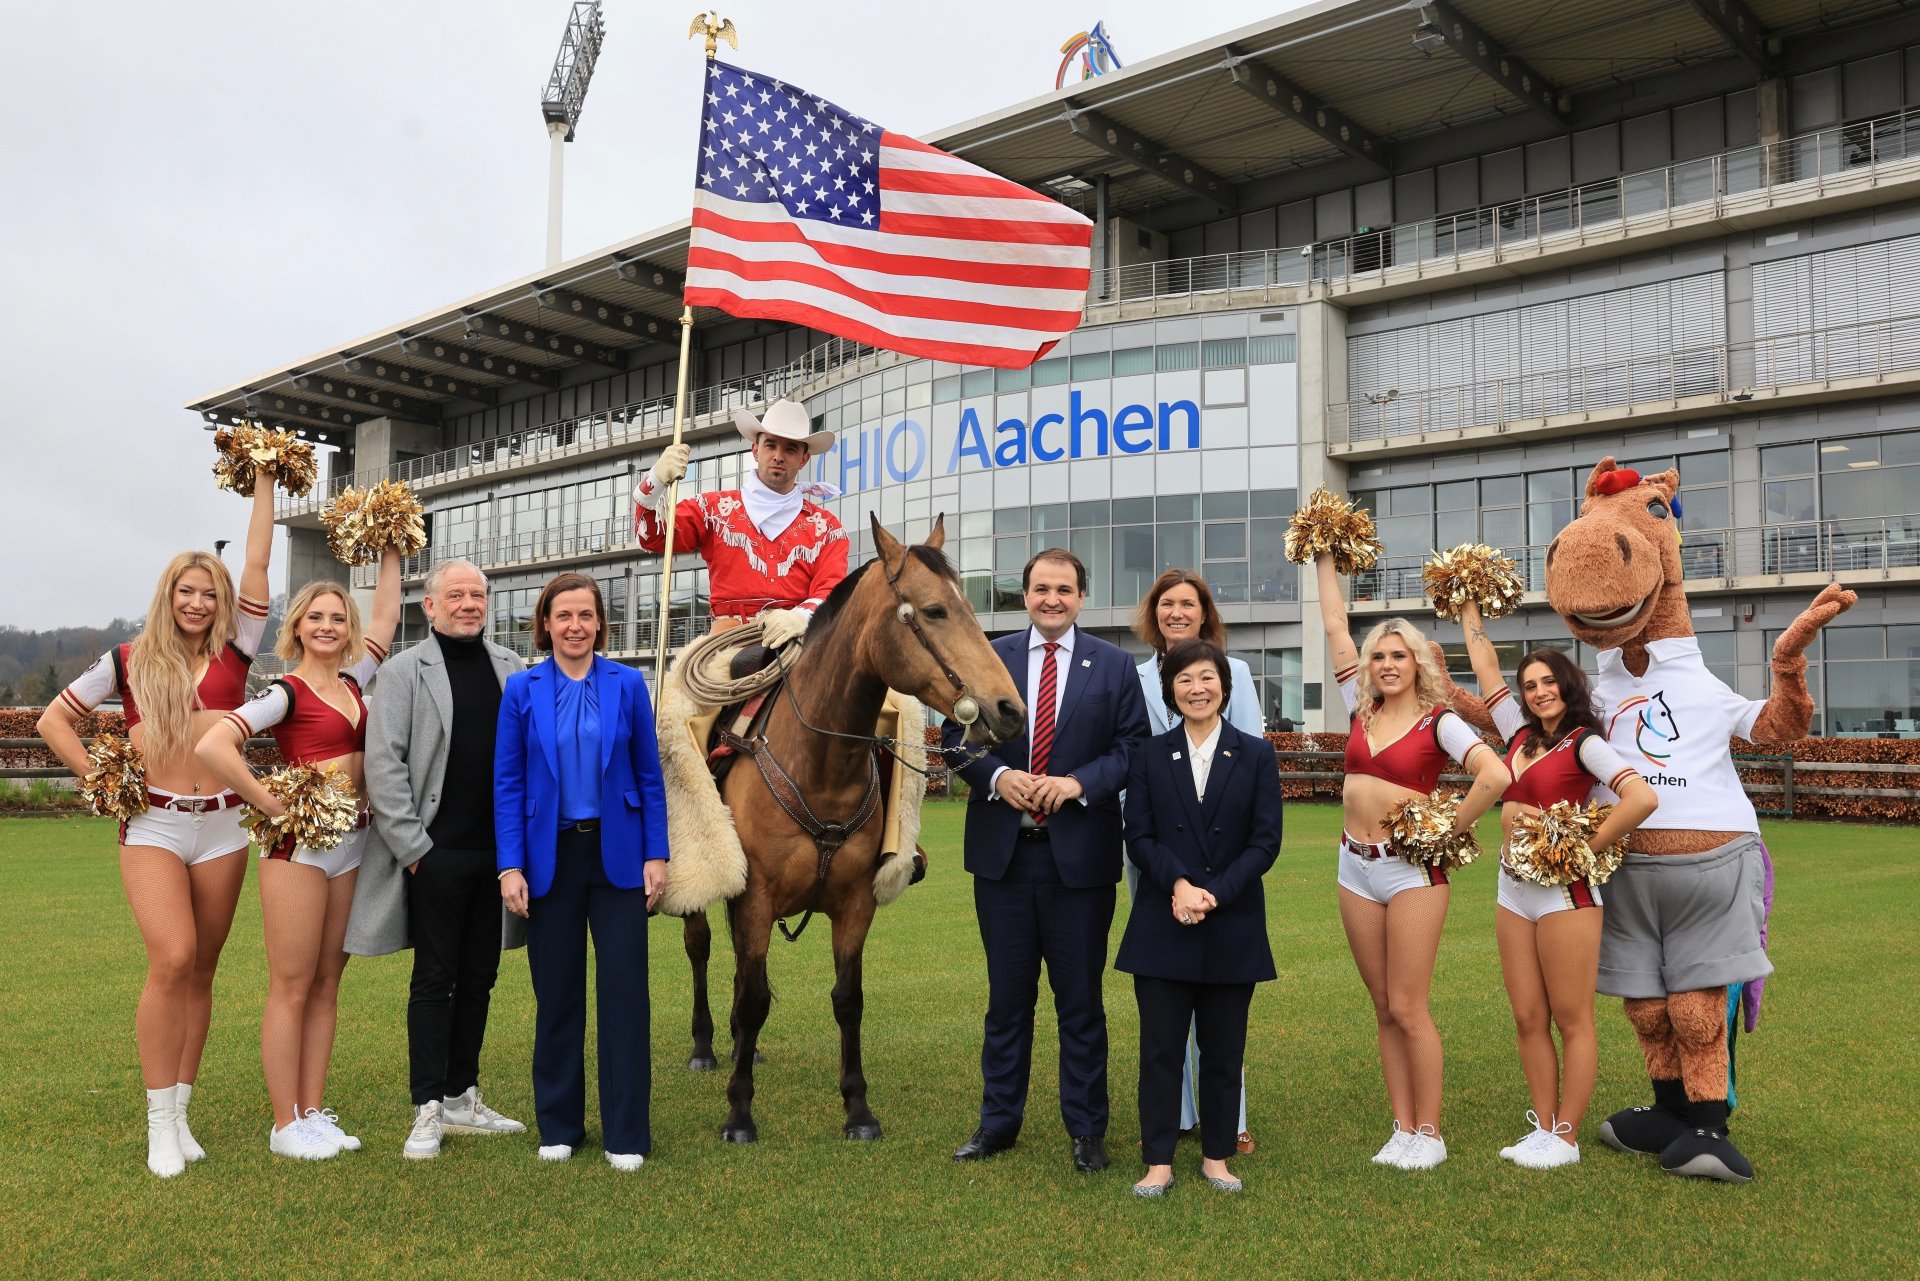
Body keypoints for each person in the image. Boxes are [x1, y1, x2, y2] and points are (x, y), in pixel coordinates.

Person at [38, 475, 278, 1178]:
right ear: (168, 596)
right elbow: (56, 719)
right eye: (188, 592)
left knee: (202, 969)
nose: (200, 603)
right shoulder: (129, 658)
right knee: (171, 956)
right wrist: (102, 782)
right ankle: (156, 1123)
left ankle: (180, 1111)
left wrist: (264, 477)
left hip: (224, 829)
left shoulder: (237, 653)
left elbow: (259, 561)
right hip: (153, 825)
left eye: (210, 593)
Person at [943, 548, 1149, 1173]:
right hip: (1003, 861)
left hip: (1079, 864)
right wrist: (998, 775)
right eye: (1039, 588)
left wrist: (1077, 784)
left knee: (1079, 1002)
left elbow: (1132, 750)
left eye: (1063, 588)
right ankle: (998, 1124)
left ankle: (1087, 1130)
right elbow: (954, 739)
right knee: (1006, 1001)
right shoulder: (989, 657)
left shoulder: (1114, 667)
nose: (1051, 598)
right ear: (1025, 596)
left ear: (1081, 596)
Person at [197, 551, 402, 1160]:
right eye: (316, 617)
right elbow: (216, 742)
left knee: (327, 981)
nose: (329, 627)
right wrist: (272, 802)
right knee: (290, 983)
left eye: (339, 617)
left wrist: (389, 547)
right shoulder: (284, 692)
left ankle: (313, 1111)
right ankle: (284, 1123)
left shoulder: (354, 680)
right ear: (298, 627)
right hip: (300, 847)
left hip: (352, 841)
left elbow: (389, 615)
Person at [1313, 553, 1511, 1170]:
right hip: (1353, 866)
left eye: (1399, 655)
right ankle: (1402, 1126)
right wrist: (1323, 552)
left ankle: (1431, 1131)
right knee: (1381, 1005)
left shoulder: (1440, 721)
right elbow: (1335, 625)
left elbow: (1495, 774)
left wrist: (1446, 828)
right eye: (1379, 656)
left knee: (1408, 1004)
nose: (1386, 664)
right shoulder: (1360, 708)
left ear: (1419, 663)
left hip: (1411, 872)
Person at [1458, 603, 1658, 1169]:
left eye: (1549, 681)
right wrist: (1471, 606)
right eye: (1531, 685)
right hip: (1510, 888)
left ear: (1567, 686)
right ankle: (1543, 1127)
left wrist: (1579, 850)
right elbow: (1485, 668)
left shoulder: (1583, 744)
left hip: (1565, 894)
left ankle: (1566, 1138)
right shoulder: (1517, 736)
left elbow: (1641, 798)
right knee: (1526, 1015)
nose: (1540, 691)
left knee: (1572, 1018)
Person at [350, 559, 527, 1159]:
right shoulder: (402, 672)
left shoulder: (512, 669)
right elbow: (384, 766)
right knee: (434, 979)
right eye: (456, 595)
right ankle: (426, 1106)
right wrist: (418, 852)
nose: (470, 604)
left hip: (498, 860)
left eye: (478, 594)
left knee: (480, 977)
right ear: (430, 606)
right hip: (436, 854)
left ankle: (461, 1097)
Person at [494, 572, 669, 1171]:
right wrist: (509, 864)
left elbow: (649, 776)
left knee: (625, 997)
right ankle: (560, 1125)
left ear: (600, 624)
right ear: (545, 623)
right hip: (549, 861)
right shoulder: (521, 689)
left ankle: (626, 1132)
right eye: (563, 615)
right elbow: (509, 783)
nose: (574, 626)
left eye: (585, 616)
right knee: (558, 997)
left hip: (618, 857)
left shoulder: (628, 685)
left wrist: (657, 854)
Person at [1118, 639, 1282, 1197]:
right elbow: (1137, 835)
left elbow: (1265, 843)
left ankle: (1217, 1157)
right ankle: (1158, 1162)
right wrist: (1181, 886)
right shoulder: (1147, 755)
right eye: (1184, 680)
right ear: (1170, 692)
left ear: (1224, 686)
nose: (1197, 688)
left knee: (1223, 1051)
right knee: (1160, 1049)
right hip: (1164, 918)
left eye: (1207, 678)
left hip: (1231, 921)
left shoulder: (1256, 754)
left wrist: (1212, 894)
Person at [1128, 568, 1263, 1153]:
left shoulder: (1237, 674)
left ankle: (1226, 1121)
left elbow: (1250, 758)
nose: (1177, 612)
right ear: (1153, 614)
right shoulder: (1130, 678)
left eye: (1188, 603)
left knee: (1221, 996)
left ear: (1205, 612)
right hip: (1157, 855)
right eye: (1166, 604)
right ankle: (1176, 1115)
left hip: (1225, 858)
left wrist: (1215, 880)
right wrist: (1173, 876)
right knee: (1166, 989)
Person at [633, 398, 847, 650]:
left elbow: (831, 590)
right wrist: (655, 480)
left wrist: (799, 616)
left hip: (799, 641)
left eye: (790, 449)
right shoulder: (712, 510)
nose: (778, 456)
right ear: (756, 450)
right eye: (770, 445)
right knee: (680, 686)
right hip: (727, 643)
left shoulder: (828, 529)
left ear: (803, 459)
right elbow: (651, 537)